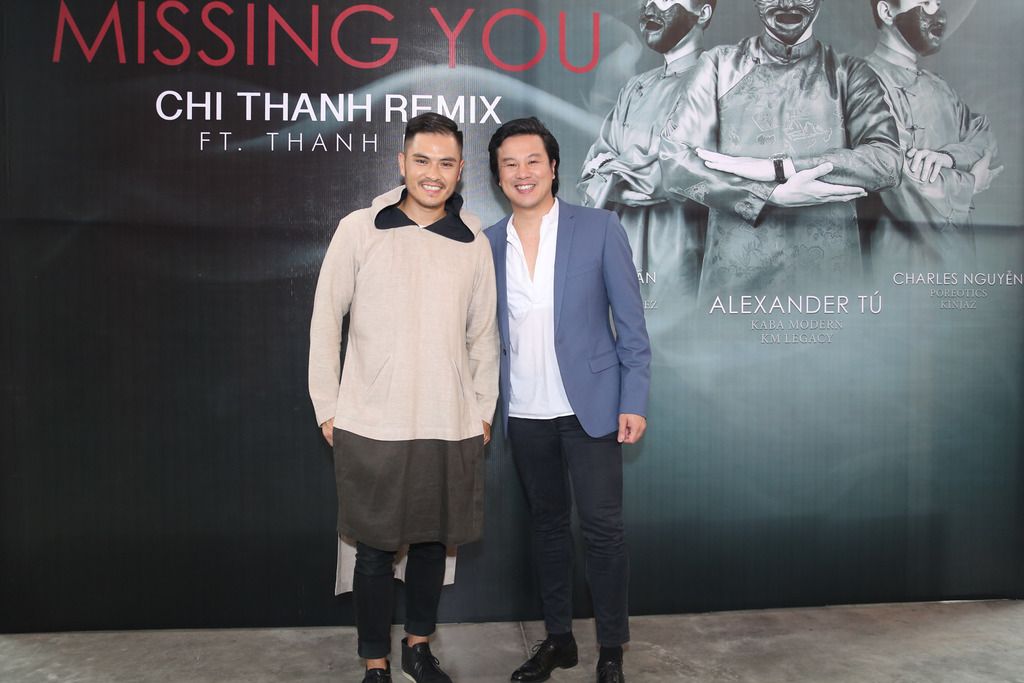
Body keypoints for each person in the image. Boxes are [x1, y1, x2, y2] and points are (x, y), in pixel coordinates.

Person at [308, 112, 498, 683]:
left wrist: (483, 412)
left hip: (450, 420)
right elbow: (325, 321)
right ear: (401, 163)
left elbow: (484, 337)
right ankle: (376, 664)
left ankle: (418, 648)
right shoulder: (359, 229)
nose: (433, 173)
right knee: (372, 551)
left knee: (432, 545)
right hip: (373, 422)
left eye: (446, 163)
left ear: (460, 170)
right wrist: (328, 407)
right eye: (422, 160)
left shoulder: (473, 242)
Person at [485, 118, 652, 683]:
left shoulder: (600, 228)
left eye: (533, 160)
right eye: (509, 164)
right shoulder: (488, 243)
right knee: (548, 529)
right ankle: (558, 640)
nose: (522, 173)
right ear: (498, 177)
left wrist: (634, 398)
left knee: (604, 532)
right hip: (524, 412)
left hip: (593, 408)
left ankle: (611, 648)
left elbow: (631, 325)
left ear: (553, 167)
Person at [658, 0, 903, 296]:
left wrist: (779, 168)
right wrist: (769, 194)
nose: (787, 2)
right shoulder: (719, 65)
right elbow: (674, 160)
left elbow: (887, 161)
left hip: (830, 288)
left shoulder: (850, 73)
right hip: (733, 291)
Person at [579, 0, 718, 302]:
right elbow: (591, 166)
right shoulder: (634, 87)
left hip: (679, 247)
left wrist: (613, 174)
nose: (650, 8)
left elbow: (681, 171)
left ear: (703, 13)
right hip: (621, 246)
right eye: (646, 0)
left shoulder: (718, 82)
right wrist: (620, 173)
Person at [860, 0, 1000, 272]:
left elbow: (985, 138)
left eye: (938, 3)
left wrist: (948, 158)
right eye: (925, 2)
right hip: (899, 265)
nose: (939, 14)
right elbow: (897, 174)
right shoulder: (863, 83)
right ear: (887, 12)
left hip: (957, 260)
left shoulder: (939, 85)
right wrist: (971, 184)